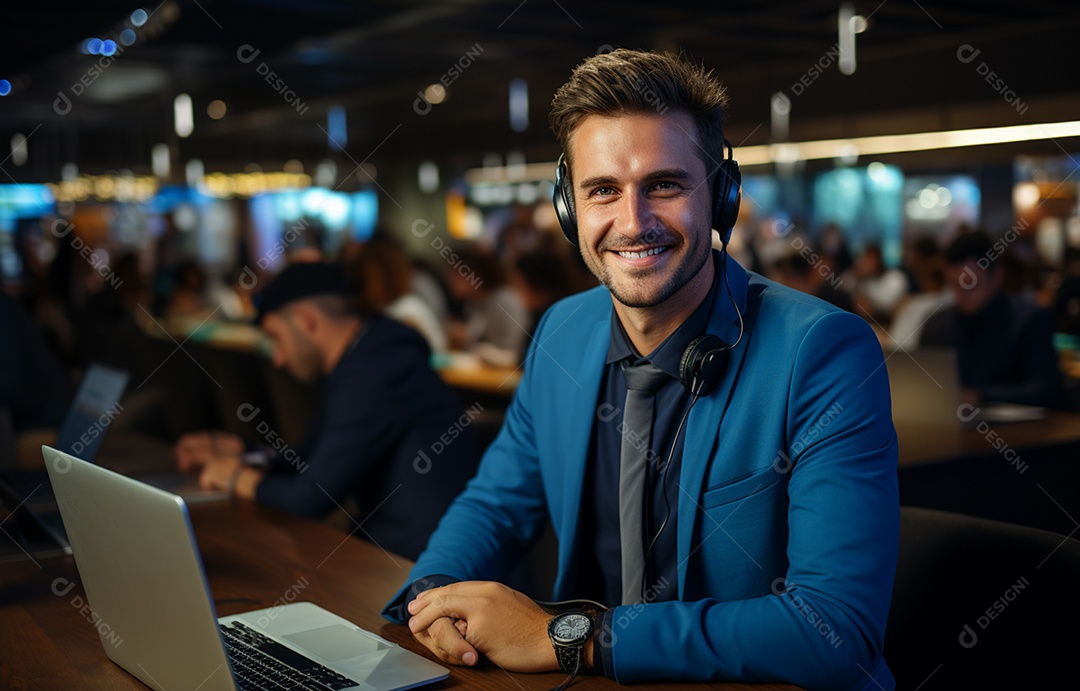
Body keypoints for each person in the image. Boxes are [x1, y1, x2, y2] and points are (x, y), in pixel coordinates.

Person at [385, 49, 899, 690]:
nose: (633, 223)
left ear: (720, 195)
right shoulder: (562, 333)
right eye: (603, 190)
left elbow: (837, 630)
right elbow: (496, 505)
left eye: (665, 185)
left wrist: (570, 639)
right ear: (569, 208)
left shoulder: (822, 351)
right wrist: (431, 593)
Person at [173, 262, 479, 560]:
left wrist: (237, 477)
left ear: (306, 321)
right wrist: (244, 452)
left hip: (429, 573)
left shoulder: (370, 373)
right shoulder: (368, 355)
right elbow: (311, 459)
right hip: (398, 558)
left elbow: (310, 498)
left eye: (276, 338)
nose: (277, 359)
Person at [921, 230, 1061, 408]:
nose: (963, 295)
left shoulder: (1031, 320)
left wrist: (980, 396)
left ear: (997, 275)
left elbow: (1047, 391)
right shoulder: (937, 325)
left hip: (1020, 432)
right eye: (955, 286)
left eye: (971, 284)